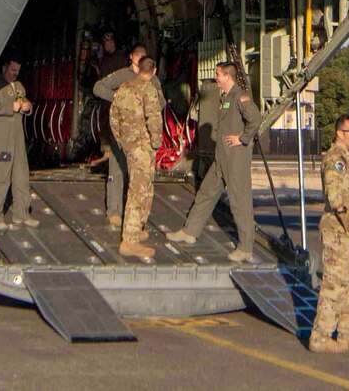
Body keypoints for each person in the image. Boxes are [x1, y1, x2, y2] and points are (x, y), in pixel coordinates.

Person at [165, 61, 257, 261]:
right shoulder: (225, 97)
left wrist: (242, 138)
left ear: (228, 77)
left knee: (240, 202)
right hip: (221, 157)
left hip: (235, 159)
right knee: (206, 193)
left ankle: (245, 248)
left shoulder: (240, 97)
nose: (216, 78)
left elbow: (255, 119)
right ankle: (190, 231)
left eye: (218, 74)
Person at [307, 114, 349, 354]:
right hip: (337, 229)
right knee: (334, 283)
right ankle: (321, 336)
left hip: (348, 230)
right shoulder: (336, 157)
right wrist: (343, 214)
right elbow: (334, 192)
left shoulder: (346, 157)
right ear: (340, 133)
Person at [106, 54, 165, 260]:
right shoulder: (149, 89)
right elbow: (154, 119)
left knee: (143, 188)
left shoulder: (123, 88)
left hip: (129, 147)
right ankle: (129, 240)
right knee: (139, 192)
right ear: (154, 71)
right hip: (143, 147)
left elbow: (113, 117)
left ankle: (137, 228)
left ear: (138, 69)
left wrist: (121, 141)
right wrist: (156, 143)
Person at [92, 42, 146, 229]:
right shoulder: (122, 76)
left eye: (143, 58)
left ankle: (135, 217)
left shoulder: (150, 78)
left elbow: (160, 102)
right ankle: (114, 211)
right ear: (131, 57)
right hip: (121, 132)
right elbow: (98, 87)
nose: (140, 61)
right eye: (138, 57)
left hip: (140, 136)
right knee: (116, 172)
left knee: (138, 177)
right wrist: (115, 97)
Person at [0, 58, 36, 229]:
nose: (15, 74)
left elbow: (23, 102)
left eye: (17, 70)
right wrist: (10, 107)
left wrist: (27, 106)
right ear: (5, 68)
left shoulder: (18, 86)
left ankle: (22, 214)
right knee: (0, 177)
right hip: (0, 140)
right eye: (12, 70)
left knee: (21, 177)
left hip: (17, 139)